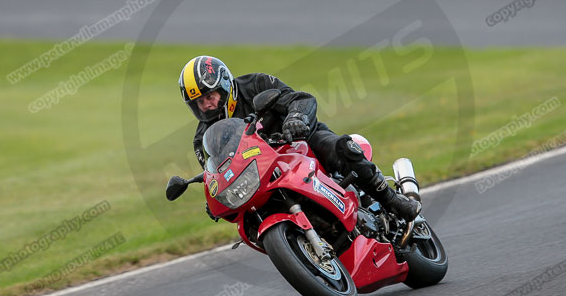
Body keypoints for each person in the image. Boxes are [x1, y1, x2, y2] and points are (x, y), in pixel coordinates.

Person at [178, 55, 421, 221]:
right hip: (263, 172)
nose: (208, 105)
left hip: (300, 142)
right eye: (200, 102)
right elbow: (216, 172)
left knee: (341, 147)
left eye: (211, 96)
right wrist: (215, 196)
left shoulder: (256, 84)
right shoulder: (203, 139)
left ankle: (392, 201)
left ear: (225, 87)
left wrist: (296, 118)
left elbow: (301, 99)